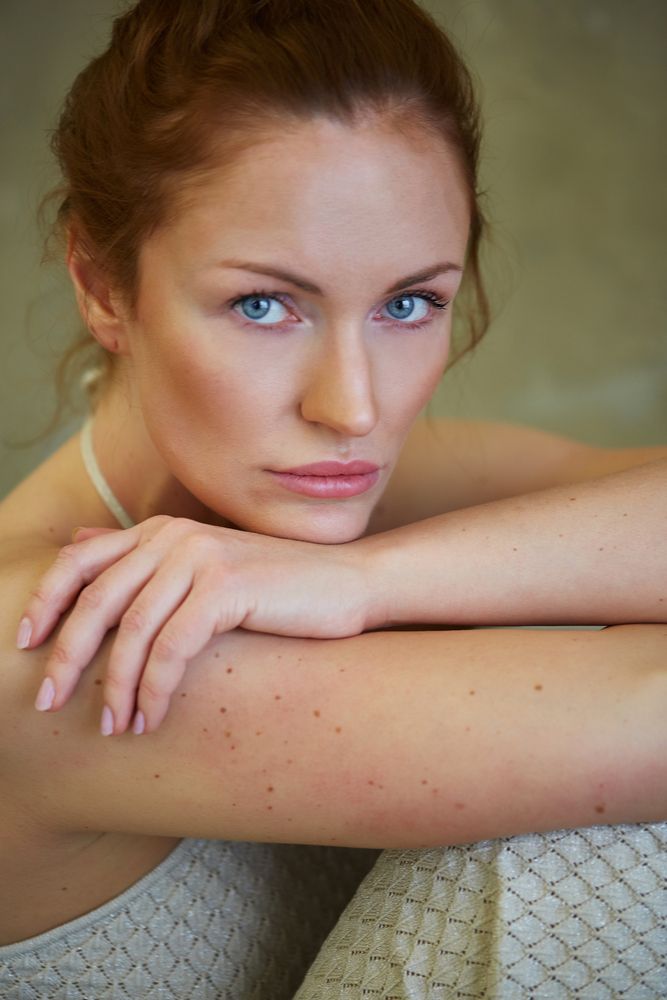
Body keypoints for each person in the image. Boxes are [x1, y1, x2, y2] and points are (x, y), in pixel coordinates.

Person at [0, 0, 665, 997]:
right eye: (263, 304)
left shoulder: (318, 494)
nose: (351, 407)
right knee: (602, 841)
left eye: (409, 302)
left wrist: (363, 579)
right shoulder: (54, 638)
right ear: (101, 283)